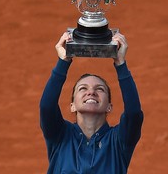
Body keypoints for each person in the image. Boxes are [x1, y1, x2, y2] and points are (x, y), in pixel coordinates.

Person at [40, 32, 144, 174]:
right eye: (83, 88)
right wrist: (63, 61)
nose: (91, 92)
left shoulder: (119, 140)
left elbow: (134, 113)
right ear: (72, 105)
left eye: (99, 89)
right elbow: (47, 107)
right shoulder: (60, 135)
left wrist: (120, 64)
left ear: (109, 106)